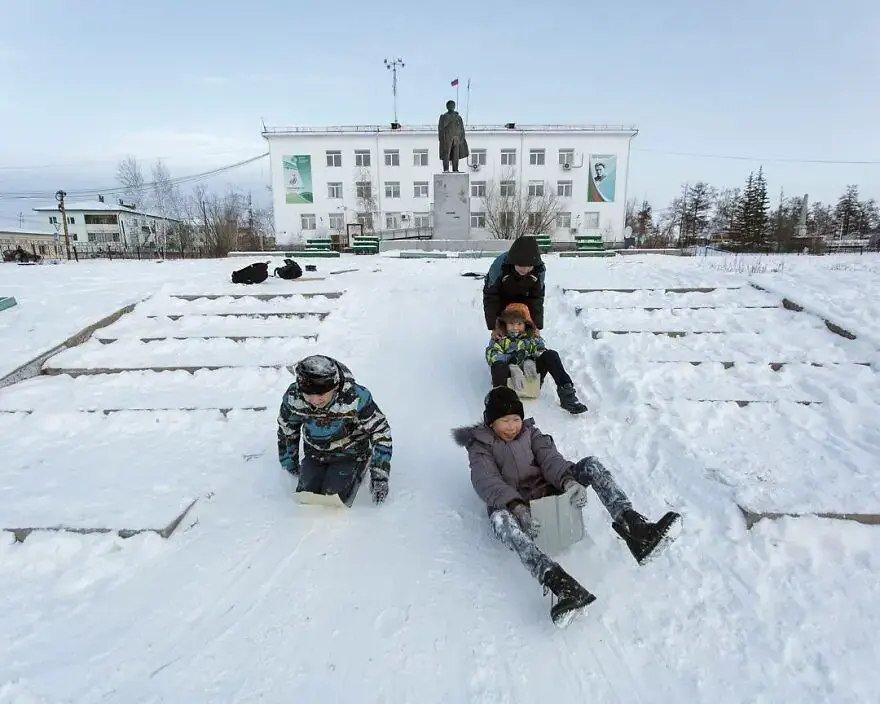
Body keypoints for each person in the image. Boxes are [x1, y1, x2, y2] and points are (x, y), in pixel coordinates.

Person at [451, 386, 682, 627]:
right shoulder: (480, 447)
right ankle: (560, 584)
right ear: (491, 423)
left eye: (516, 419)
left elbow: (551, 460)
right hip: (516, 505)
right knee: (499, 519)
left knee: (591, 465)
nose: (512, 426)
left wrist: (569, 481)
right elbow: (486, 480)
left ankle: (635, 528)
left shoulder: (531, 433)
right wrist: (516, 506)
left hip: (549, 488)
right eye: (504, 420)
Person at [277, 355, 392, 506]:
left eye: (320, 395)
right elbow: (287, 428)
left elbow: (381, 432)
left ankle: (361, 465)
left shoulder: (356, 398)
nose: (314, 400)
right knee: (306, 495)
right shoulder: (295, 398)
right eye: (308, 395)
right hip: (315, 452)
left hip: (350, 453)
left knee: (333, 498)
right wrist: (289, 462)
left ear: (335, 387)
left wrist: (379, 476)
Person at [486, 303, 587, 414]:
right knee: (498, 365)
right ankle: (500, 402)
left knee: (551, 354)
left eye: (519, 324)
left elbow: (541, 350)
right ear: (504, 324)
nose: (515, 327)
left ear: (526, 324)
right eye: (511, 323)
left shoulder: (532, 338)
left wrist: (530, 360)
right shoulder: (500, 339)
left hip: (531, 378)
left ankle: (568, 395)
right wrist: (512, 364)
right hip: (509, 381)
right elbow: (493, 355)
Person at [483, 236, 546, 337]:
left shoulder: (539, 271)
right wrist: (493, 327)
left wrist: (537, 326)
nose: (525, 269)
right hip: (502, 294)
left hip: (525, 296)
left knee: (524, 325)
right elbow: (491, 297)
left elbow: (536, 299)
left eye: (529, 266)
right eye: (521, 265)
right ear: (513, 261)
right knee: (504, 326)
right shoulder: (499, 267)